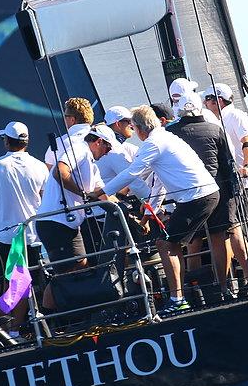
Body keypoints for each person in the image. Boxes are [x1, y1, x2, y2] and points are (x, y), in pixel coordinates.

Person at [91, 105, 220, 312]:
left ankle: (177, 300)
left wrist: (100, 192)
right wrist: (150, 211)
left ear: (140, 128)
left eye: (133, 127)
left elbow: (132, 173)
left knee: (164, 244)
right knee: (171, 244)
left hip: (196, 197)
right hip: (204, 194)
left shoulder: (153, 143)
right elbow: (158, 182)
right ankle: (180, 296)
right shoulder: (167, 138)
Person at [166, 91, 244, 298]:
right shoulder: (215, 129)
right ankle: (223, 287)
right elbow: (227, 163)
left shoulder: (171, 132)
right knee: (219, 237)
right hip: (219, 190)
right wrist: (232, 192)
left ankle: (191, 290)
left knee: (188, 242)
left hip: (190, 195)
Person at [0, 122, 49, 336]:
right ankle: (13, 331)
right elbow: (45, 200)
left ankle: (3, 332)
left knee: (3, 284)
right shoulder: (40, 166)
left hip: (2, 237)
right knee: (22, 283)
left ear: (7, 141)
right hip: (31, 236)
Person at [36, 126, 114, 309]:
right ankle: (49, 318)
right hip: (56, 223)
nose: (108, 153)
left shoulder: (91, 165)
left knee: (78, 269)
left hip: (66, 224)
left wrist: (126, 211)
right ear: (98, 142)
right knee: (69, 274)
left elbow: (101, 193)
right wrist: (82, 194)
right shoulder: (80, 149)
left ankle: (65, 316)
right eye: (108, 148)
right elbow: (59, 172)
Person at [202, 83, 248, 289]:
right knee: (229, 232)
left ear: (218, 100)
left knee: (241, 231)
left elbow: (247, 141)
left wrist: (247, 165)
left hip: (242, 183)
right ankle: (236, 282)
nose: (205, 104)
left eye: (208, 100)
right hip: (228, 184)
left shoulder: (235, 115)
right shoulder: (217, 120)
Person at [45, 97, 94, 168]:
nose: (64, 119)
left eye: (65, 116)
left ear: (72, 120)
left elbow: (48, 171)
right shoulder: (102, 139)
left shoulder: (58, 143)